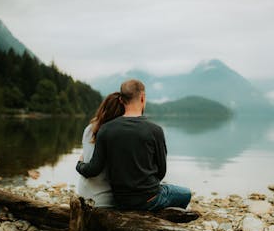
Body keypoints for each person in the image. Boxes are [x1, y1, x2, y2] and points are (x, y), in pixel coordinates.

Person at [76, 79, 191, 211]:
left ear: (121, 100)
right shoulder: (155, 130)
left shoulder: (106, 129)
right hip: (149, 198)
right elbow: (161, 172)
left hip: (120, 200)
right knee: (185, 194)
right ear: (142, 98)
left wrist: (79, 164)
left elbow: (94, 168)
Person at [76, 92, 124, 207]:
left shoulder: (89, 129)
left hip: (83, 193)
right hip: (103, 201)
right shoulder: (116, 135)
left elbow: (87, 158)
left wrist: (79, 163)